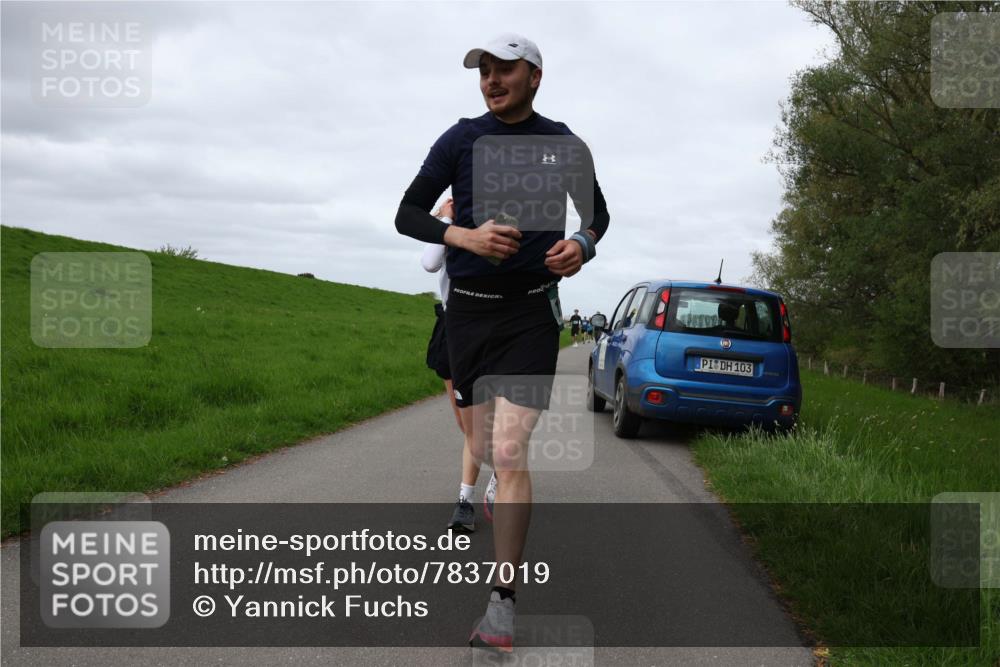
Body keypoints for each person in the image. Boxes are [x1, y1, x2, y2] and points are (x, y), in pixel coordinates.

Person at [395, 33, 610, 651]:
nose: (490, 80)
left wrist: (584, 246)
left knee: (510, 453)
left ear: (534, 76)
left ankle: (502, 605)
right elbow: (408, 213)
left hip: (529, 315)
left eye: (503, 70)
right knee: (483, 444)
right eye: (483, 71)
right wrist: (462, 236)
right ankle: (488, 482)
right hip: (466, 315)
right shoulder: (460, 138)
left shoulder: (565, 143)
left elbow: (597, 212)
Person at [422, 196, 481, 533]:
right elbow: (430, 263)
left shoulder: (494, 222)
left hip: (488, 326)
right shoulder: (450, 230)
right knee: (466, 424)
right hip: (451, 325)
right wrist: (445, 222)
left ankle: (465, 499)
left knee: (481, 424)